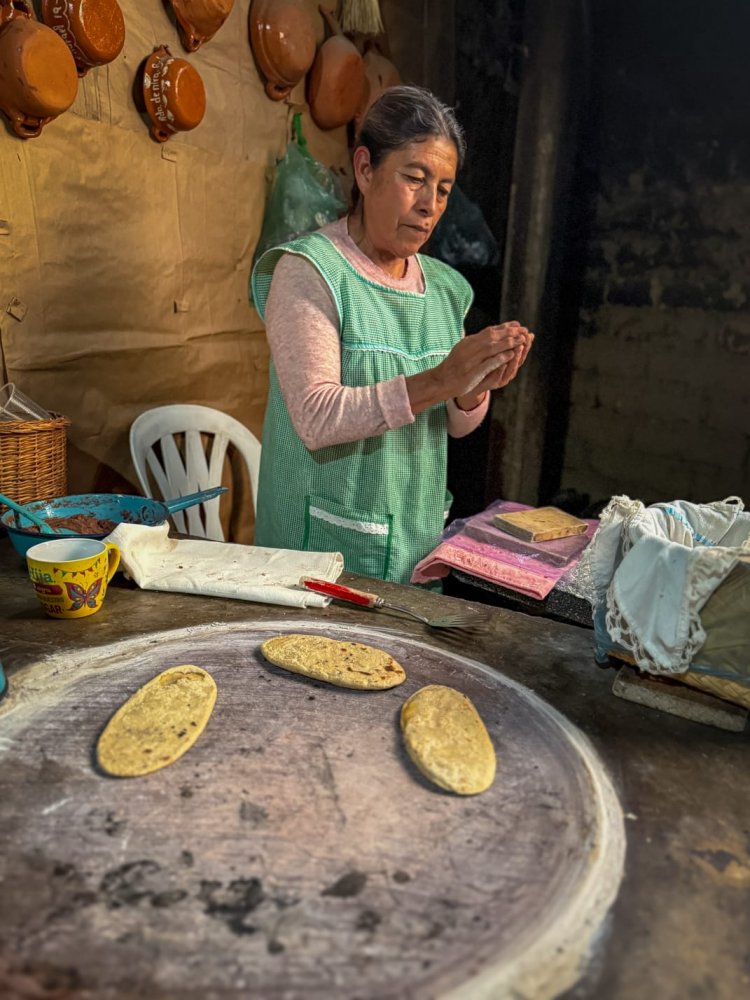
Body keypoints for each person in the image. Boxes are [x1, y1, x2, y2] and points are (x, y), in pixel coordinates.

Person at [251, 85, 533, 584]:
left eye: (443, 189)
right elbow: (316, 418)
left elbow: (454, 425)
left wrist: (474, 388)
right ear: (365, 169)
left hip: (415, 539)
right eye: (414, 178)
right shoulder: (311, 272)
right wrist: (442, 379)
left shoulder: (446, 289)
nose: (429, 205)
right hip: (320, 553)